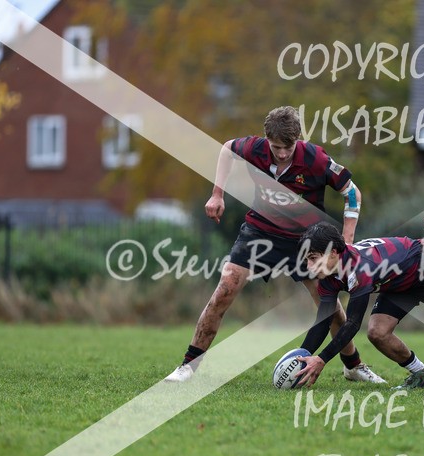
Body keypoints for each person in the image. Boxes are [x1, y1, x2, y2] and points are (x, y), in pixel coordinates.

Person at [164, 106, 384, 384]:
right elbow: (226, 148)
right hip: (260, 230)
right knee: (226, 286)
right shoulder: (254, 148)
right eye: (276, 147)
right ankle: (188, 366)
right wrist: (217, 193)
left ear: (298, 140)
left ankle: (353, 366)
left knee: (328, 304)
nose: (281, 153)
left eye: (288, 147)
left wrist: (347, 241)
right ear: (266, 138)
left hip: (305, 240)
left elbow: (352, 193)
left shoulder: (315, 159)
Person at [293, 221, 424, 389]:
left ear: (333, 253)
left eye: (313, 259)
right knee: (377, 332)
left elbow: (353, 323)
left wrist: (321, 359)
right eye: (307, 260)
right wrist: (300, 360)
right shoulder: (328, 276)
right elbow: (323, 321)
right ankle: (422, 376)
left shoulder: (360, 268)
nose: (310, 267)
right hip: (401, 284)